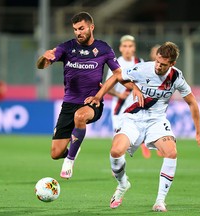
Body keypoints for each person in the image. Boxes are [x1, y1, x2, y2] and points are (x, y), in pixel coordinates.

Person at [85, 41, 200, 212]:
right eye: (157, 61)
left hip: (156, 120)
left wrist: (198, 131)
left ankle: (160, 201)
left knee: (171, 152)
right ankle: (123, 184)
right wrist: (99, 96)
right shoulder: (143, 68)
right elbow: (117, 76)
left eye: (163, 64)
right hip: (133, 118)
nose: (158, 66)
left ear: (172, 64)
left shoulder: (176, 77)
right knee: (116, 152)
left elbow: (192, 102)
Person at [36, 12, 143, 180]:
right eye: (75, 29)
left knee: (80, 116)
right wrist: (43, 58)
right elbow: (41, 66)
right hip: (69, 104)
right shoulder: (66, 47)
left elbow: (118, 75)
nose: (78, 32)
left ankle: (70, 161)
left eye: (81, 28)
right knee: (55, 153)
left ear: (91, 27)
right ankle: (73, 148)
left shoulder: (103, 49)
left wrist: (133, 87)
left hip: (92, 103)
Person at [106, 35, 151, 158]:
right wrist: (119, 94)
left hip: (136, 106)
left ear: (134, 48)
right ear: (120, 48)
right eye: (125, 46)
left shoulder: (140, 63)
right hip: (120, 106)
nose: (127, 49)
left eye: (130, 46)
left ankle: (141, 142)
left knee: (136, 132)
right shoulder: (115, 64)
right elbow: (107, 87)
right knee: (118, 135)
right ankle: (117, 161)